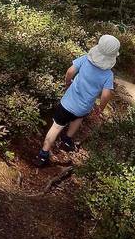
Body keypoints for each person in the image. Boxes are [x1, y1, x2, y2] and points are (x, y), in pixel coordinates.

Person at [36, 34, 119, 167]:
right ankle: (66, 140)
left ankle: (43, 155)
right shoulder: (108, 75)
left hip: (66, 104)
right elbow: (105, 95)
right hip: (83, 108)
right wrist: (100, 109)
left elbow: (70, 71)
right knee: (78, 118)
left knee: (56, 127)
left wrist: (67, 82)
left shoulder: (85, 59)